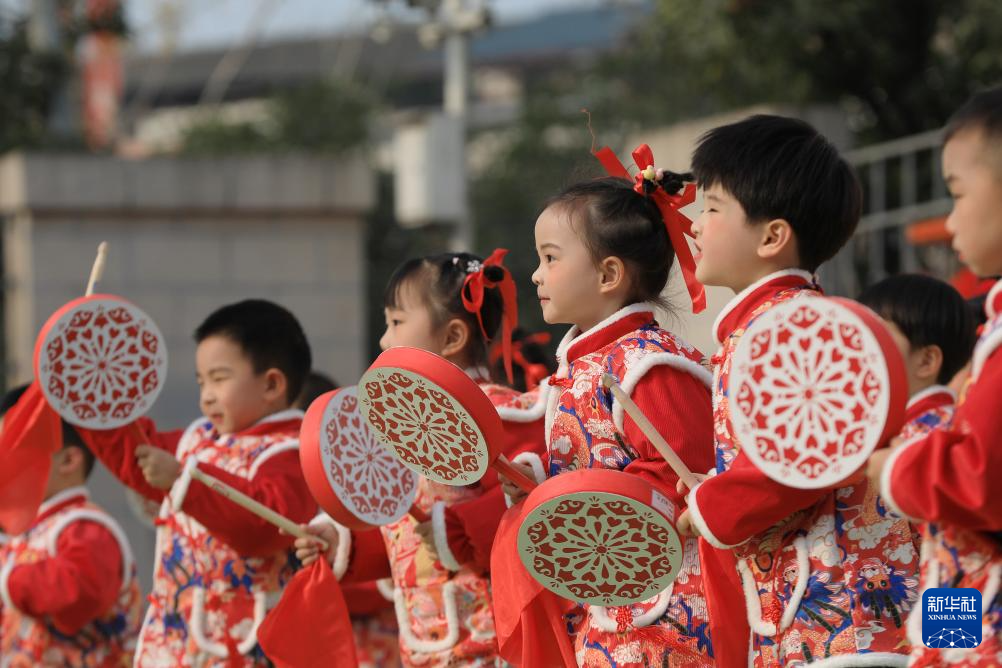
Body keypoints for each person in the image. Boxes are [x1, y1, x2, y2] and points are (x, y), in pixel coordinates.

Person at [680, 114, 920, 665]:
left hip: (844, 610)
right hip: (828, 609)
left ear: (772, 237)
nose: (694, 224)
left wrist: (712, 504)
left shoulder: (793, 327)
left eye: (712, 208)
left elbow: (802, 459)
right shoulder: (775, 324)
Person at [501, 164, 717, 666]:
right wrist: (539, 483)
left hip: (666, 612)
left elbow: (681, 475)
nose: (535, 274)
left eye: (550, 258)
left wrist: (573, 500)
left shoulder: (651, 364)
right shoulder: (583, 363)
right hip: (609, 605)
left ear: (608, 274)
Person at [296, 250, 547, 667]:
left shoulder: (502, 415)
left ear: (452, 337)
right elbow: (402, 534)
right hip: (423, 645)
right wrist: (344, 542)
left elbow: (528, 512)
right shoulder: (402, 424)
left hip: (493, 644)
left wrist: (460, 529)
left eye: (395, 323)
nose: (383, 339)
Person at [78, 299, 317, 666]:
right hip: (177, 640)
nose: (206, 394)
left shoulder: (295, 451)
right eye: (201, 380)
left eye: (219, 379)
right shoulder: (197, 440)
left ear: (271, 384)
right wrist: (91, 391)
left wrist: (184, 482)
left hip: (252, 642)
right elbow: (136, 452)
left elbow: (263, 526)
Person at [868, 86, 1002, 666]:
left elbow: (978, 481)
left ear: (927, 359)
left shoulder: (929, 428)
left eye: (957, 194)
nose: (949, 220)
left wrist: (887, 467)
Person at [0, 384, 142, 666]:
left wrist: (9, 575)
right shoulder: (26, 532)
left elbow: (80, 592)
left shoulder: (85, 526)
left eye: (11, 450)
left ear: (68, 460)